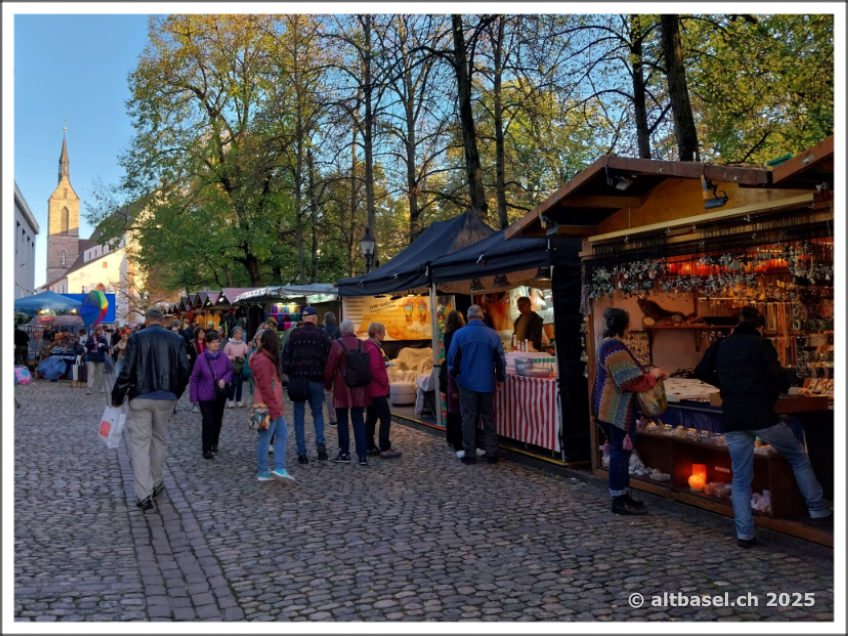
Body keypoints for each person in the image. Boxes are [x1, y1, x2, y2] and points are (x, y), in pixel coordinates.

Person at [695, 306, 831, 547]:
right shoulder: (761, 345)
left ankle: (745, 534)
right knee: (798, 456)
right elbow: (777, 376)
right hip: (761, 415)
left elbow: (701, 371)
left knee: (740, 476)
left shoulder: (722, 344)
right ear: (760, 326)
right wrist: (776, 387)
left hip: (734, 417)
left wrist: (726, 385)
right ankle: (818, 509)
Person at [111, 307, 191, 510]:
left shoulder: (137, 338)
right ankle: (157, 481)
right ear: (162, 322)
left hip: (140, 396)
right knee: (159, 440)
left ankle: (144, 493)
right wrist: (175, 393)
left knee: (140, 444)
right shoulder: (176, 339)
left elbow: (127, 370)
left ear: (147, 321)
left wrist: (117, 397)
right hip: (166, 396)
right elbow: (184, 370)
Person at [593, 307, 667, 515]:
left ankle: (623, 495)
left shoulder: (606, 346)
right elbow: (629, 379)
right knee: (620, 454)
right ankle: (619, 499)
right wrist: (653, 375)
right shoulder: (614, 347)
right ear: (623, 326)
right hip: (616, 410)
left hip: (610, 409)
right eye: (628, 324)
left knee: (621, 453)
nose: (630, 328)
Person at [447, 304, 506, 465]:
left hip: (466, 383)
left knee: (468, 418)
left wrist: (456, 378)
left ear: (468, 317)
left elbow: (452, 360)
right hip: (486, 382)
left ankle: (470, 454)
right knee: (488, 418)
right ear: (482, 317)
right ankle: (492, 454)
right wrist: (500, 378)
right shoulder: (492, 335)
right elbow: (500, 360)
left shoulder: (459, 334)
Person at [282, 306, 330, 464]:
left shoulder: (294, 334)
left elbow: (286, 357)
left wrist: (290, 373)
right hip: (316, 380)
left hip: (298, 380)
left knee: (298, 416)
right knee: (317, 413)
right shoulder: (322, 335)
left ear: (303, 319)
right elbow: (327, 359)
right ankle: (320, 445)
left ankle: (302, 453)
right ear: (315, 318)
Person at [324, 319, 372, 465]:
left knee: (342, 421)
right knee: (358, 421)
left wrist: (327, 386)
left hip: (342, 387)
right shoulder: (361, 344)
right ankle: (362, 455)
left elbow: (329, 369)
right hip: (359, 387)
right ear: (352, 330)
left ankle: (344, 452)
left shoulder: (337, 345)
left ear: (341, 330)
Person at [249, 329, 294, 483]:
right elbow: (266, 388)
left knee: (280, 434)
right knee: (266, 437)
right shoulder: (263, 360)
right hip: (266, 404)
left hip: (266, 403)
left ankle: (279, 468)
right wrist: (274, 407)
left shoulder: (264, 358)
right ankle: (265, 471)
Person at [189, 331, 233, 459]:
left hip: (219, 395)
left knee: (217, 420)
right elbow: (195, 378)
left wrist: (224, 380)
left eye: (217, 342)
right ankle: (206, 448)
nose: (215, 344)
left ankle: (214, 442)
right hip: (205, 395)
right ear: (207, 344)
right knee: (208, 421)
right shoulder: (201, 358)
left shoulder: (224, 357)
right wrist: (193, 397)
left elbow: (230, 371)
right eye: (213, 342)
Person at [364, 322, 401, 459]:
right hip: (377, 390)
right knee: (385, 417)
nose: (384, 335)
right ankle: (385, 448)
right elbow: (374, 370)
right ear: (377, 333)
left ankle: (369, 446)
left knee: (371, 418)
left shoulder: (368, 346)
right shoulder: (374, 349)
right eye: (383, 332)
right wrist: (385, 382)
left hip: (370, 390)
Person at [440, 310, 467, 457]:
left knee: (451, 409)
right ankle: (458, 440)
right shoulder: (461, 335)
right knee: (458, 411)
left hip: (448, 372)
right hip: (457, 373)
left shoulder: (446, 335)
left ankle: (450, 437)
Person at [319, 311, 341, 428]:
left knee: (328, 392)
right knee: (339, 390)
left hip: (326, 364)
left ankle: (333, 419)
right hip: (338, 364)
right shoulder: (339, 331)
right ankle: (341, 415)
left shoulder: (322, 332)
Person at [224, 326, 250, 408]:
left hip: (241, 366)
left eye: (241, 334)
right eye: (239, 333)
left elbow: (247, 352)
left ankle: (239, 400)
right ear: (234, 334)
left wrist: (250, 346)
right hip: (232, 366)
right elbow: (224, 355)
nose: (240, 335)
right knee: (233, 383)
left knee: (240, 383)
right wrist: (231, 357)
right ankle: (231, 400)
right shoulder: (229, 344)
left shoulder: (243, 343)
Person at [85, 325, 110, 395]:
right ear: (96, 331)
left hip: (100, 358)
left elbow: (107, 349)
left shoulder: (103, 338)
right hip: (91, 358)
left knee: (100, 374)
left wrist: (103, 346)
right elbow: (87, 345)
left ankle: (101, 387)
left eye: (101, 330)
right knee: (91, 373)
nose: (100, 332)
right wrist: (94, 343)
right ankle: (89, 388)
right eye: (99, 330)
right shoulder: (91, 337)